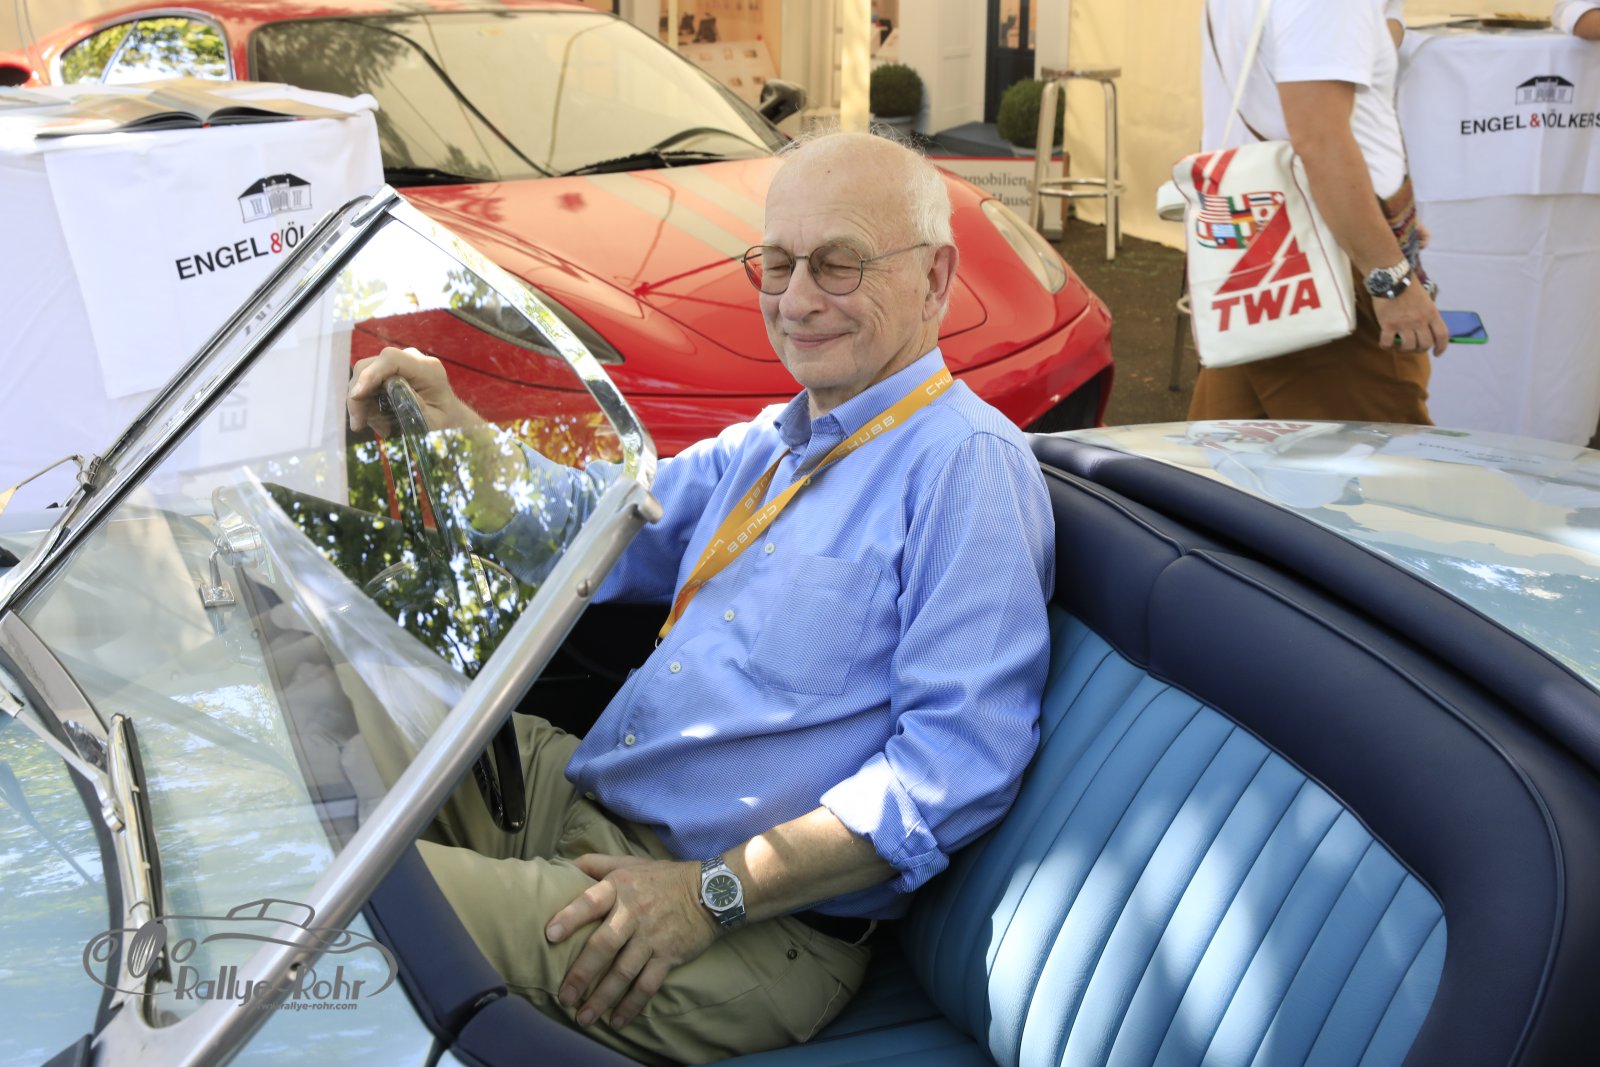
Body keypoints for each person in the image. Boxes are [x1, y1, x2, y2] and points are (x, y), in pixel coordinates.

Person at [345, 131, 1054, 1065]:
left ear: (934, 278)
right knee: (322, 692)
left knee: (331, 907)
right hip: (589, 801)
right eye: (779, 263)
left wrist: (708, 893)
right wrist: (458, 430)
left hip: (744, 923)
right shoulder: (773, 441)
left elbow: (951, 770)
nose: (798, 300)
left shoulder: (969, 467)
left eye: (839, 264)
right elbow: (593, 529)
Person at [1189, 0, 1449, 424]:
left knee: (1232, 448)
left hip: (1271, 239)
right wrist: (1390, 278)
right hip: (1321, 250)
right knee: (1377, 455)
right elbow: (1321, 140)